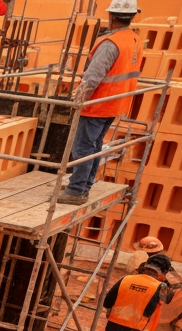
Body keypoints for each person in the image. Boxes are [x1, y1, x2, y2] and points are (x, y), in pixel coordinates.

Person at [58, 0, 142, 205]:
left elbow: (93, 77)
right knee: (94, 145)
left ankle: (77, 190)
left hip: (98, 104)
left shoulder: (109, 43)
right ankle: (84, 183)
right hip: (116, 103)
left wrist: (78, 101)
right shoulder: (134, 39)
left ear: (112, 16)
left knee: (82, 148)